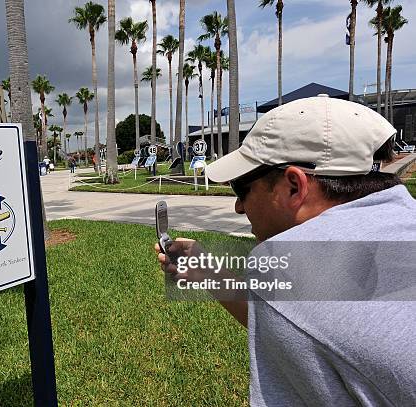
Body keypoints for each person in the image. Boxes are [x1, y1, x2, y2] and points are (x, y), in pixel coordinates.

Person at [156, 95, 416, 406]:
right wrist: (209, 274)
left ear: (294, 186)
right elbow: (304, 325)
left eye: (242, 188)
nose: (239, 206)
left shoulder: (289, 264)